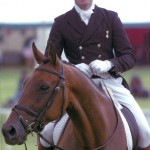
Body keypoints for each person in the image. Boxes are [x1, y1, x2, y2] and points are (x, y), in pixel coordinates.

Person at [40, 0, 150, 150]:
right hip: (76, 86)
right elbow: (49, 60)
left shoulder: (110, 17)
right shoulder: (61, 22)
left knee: (145, 131)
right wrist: (72, 69)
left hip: (108, 82)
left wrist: (109, 64)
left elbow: (128, 57)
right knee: (46, 133)